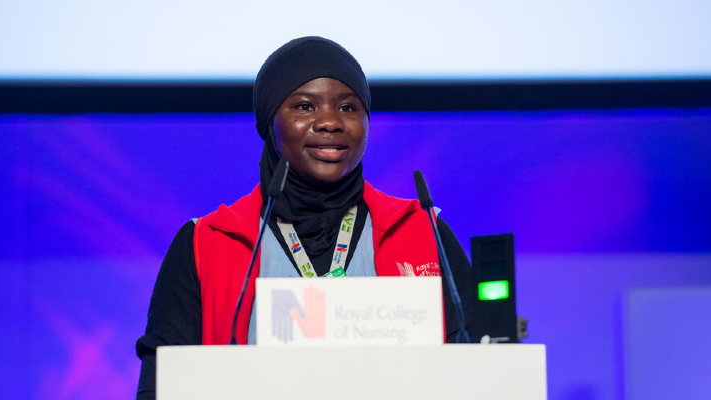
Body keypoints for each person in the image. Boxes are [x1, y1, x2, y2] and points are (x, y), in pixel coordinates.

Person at [135, 36, 476, 399]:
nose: (330, 122)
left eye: (348, 108)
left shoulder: (424, 230)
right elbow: (161, 386)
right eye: (304, 106)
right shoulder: (205, 242)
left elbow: (480, 369)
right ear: (270, 123)